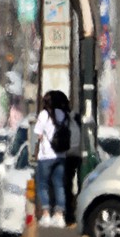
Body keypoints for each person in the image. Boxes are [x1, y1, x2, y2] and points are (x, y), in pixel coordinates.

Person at [34, 91, 68, 227]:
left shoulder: (43, 115)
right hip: (60, 155)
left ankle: (46, 214)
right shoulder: (63, 115)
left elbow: (38, 134)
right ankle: (59, 216)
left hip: (46, 156)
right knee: (59, 184)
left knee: (43, 185)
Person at [51, 90, 81, 227]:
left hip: (60, 154)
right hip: (74, 154)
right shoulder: (74, 115)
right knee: (67, 184)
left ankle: (59, 214)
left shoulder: (55, 115)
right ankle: (69, 214)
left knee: (58, 184)